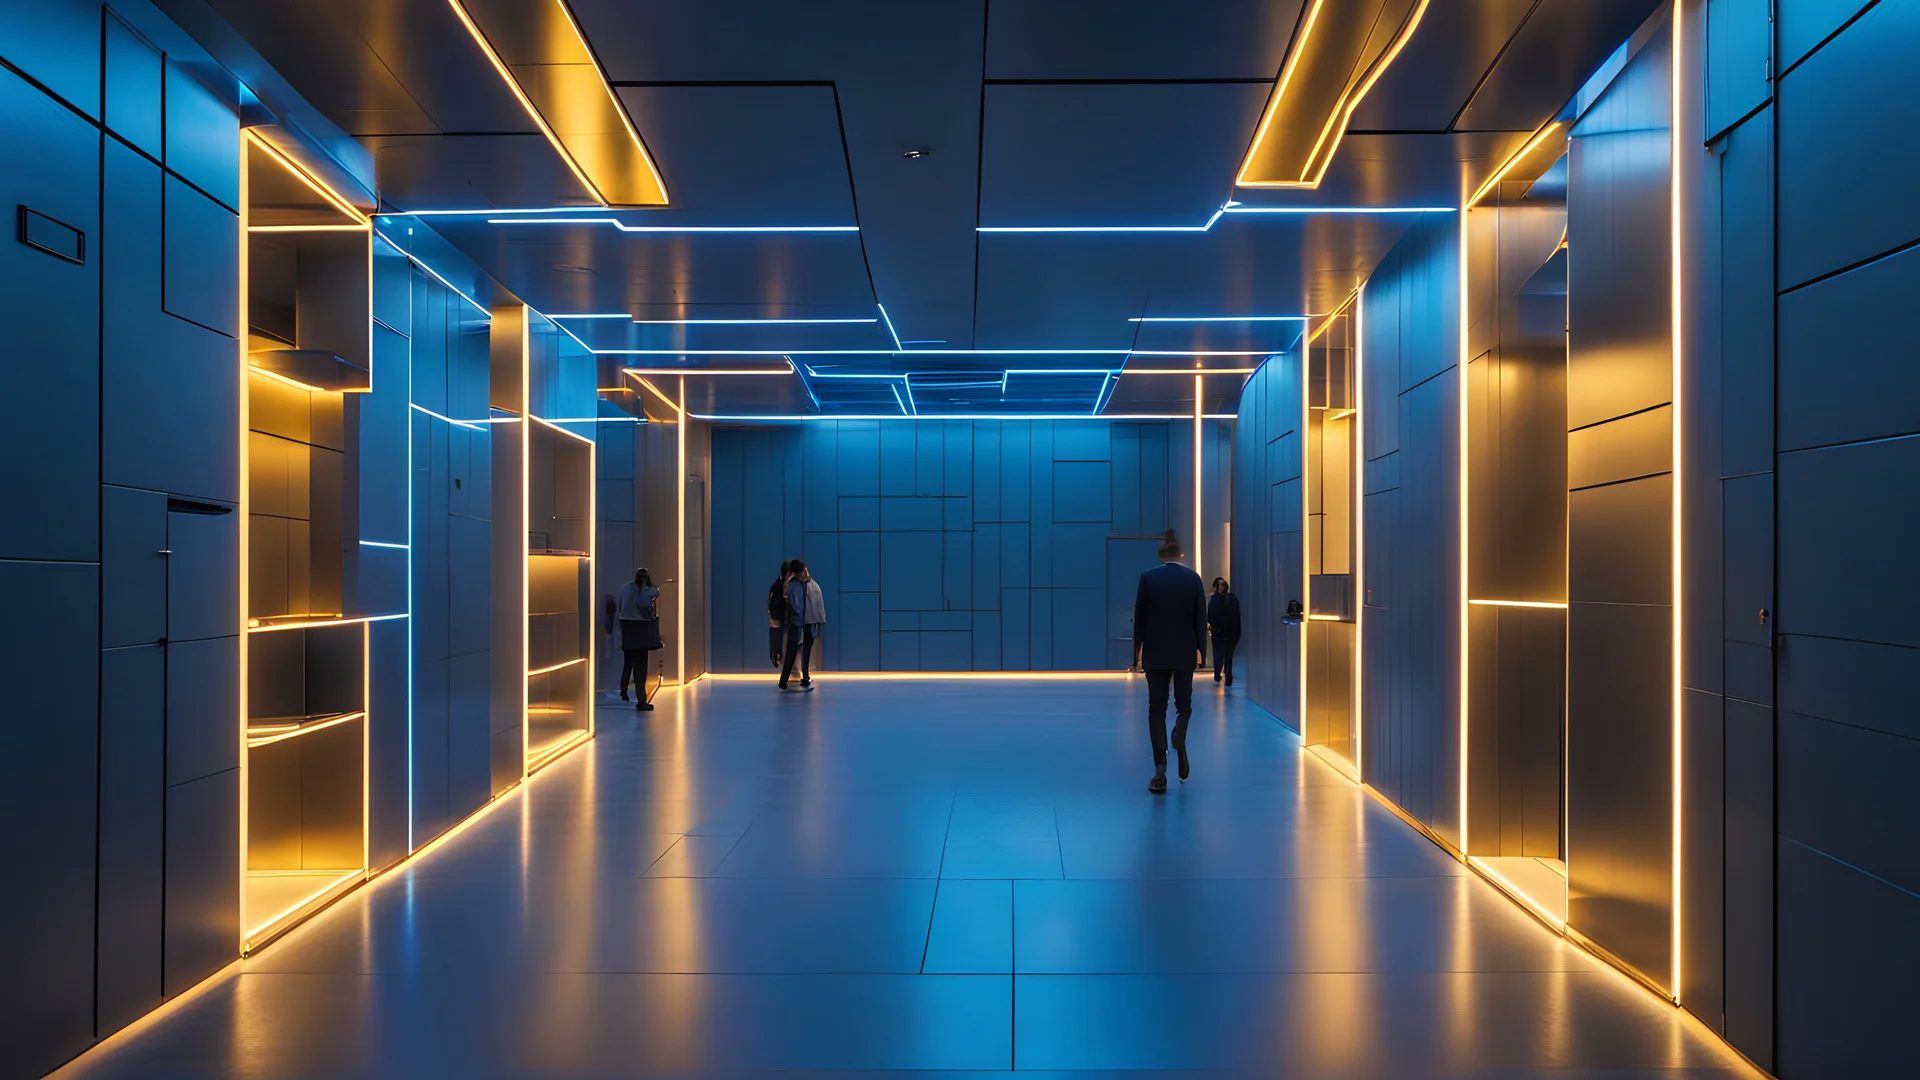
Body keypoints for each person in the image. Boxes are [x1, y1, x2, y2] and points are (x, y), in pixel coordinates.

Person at [1132, 529, 1207, 793]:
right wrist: (1201, 652)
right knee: (1184, 706)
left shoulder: (1148, 579)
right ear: (1181, 555)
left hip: (1155, 653)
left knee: (1156, 708)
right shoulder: (1193, 580)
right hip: (1185, 652)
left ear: (1162, 555)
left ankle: (1160, 772)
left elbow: (1140, 618)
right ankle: (1179, 731)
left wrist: (1137, 652)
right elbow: (1200, 619)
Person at [615, 567, 662, 710]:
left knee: (628, 662)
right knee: (640, 668)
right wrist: (649, 586)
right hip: (640, 630)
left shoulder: (624, 588)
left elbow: (620, 606)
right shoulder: (645, 591)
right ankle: (642, 701)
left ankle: (623, 690)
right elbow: (652, 598)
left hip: (626, 629)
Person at [779, 559, 817, 691]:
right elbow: (798, 606)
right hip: (800, 622)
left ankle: (799, 679)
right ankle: (786, 681)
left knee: (796, 651)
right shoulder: (796, 585)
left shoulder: (797, 584)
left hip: (802, 622)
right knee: (794, 651)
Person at [1208, 577, 1242, 687]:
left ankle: (1221, 675)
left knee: (1222, 656)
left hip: (1223, 633)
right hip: (1227, 632)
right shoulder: (1231, 599)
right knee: (1226, 657)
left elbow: (1211, 616)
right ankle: (1225, 676)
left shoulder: (1215, 599)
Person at [767, 561, 793, 669]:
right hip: (779, 617)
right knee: (777, 640)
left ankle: (776, 656)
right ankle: (776, 656)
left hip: (780, 618)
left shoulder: (777, 584)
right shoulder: (779, 586)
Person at [802, 565, 827, 674]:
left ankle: (803, 672)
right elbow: (820, 607)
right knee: (807, 649)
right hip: (811, 622)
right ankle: (805, 673)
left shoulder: (805, 587)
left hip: (805, 621)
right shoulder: (815, 586)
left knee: (803, 649)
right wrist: (821, 620)